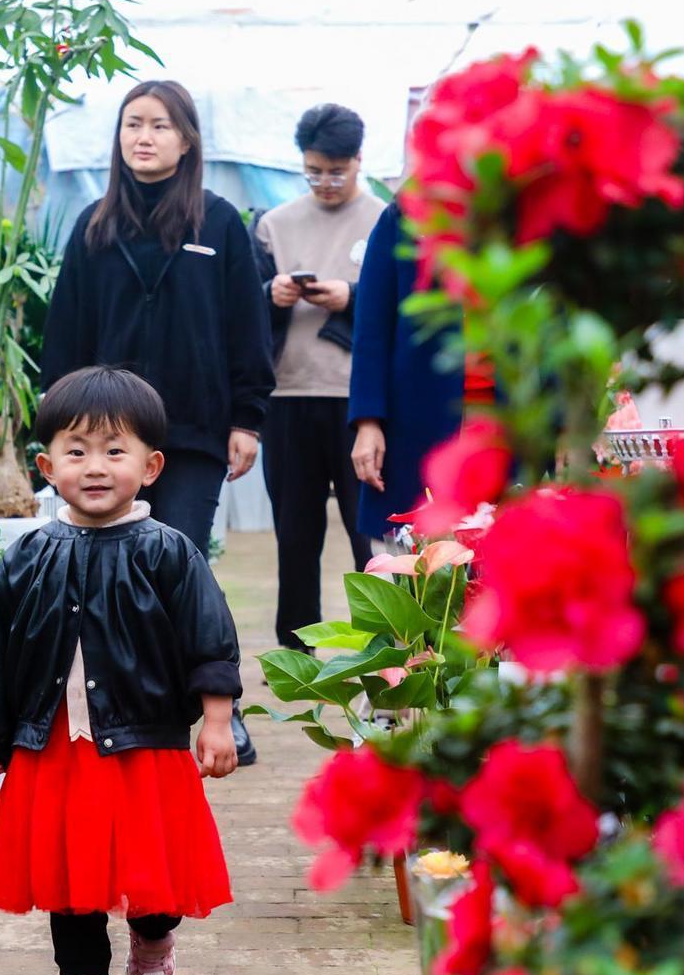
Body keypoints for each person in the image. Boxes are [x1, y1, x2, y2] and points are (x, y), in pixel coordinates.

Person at [0, 366, 239, 975]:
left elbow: (210, 638)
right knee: (69, 873)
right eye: (77, 450)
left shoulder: (168, 552)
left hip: (146, 743)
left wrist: (214, 718)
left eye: (115, 451)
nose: (95, 467)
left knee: (154, 865)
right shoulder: (26, 557)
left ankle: (154, 930)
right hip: (55, 746)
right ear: (46, 464)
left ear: (151, 465)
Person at [40, 80, 270, 765]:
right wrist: (61, 431)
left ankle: (216, 707)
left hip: (194, 428)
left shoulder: (219, 223)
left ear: (187, 139)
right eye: (132, 124)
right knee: (110, 567)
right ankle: (129, 705)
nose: (144, 136)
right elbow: (64, 333)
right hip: (105, 437)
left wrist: (247, 418)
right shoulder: (93, 226)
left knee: (184, 561)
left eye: (160, 125)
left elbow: (246, 328)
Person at [250, 104, 383, 651]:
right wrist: (273, 296)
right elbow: (246, 315)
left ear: (358, 161)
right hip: (289, 398)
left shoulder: (385, 219)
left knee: (368, 537)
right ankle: (296, 653)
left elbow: (407, 309)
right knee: (295, 538)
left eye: (336, 171)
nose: (325, 182)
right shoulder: (274, 224)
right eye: (313, 171)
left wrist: (350, 296)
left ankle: (383, 652)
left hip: (361, 406)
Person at [348, 200, 467, 544]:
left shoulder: (525, 210)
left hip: (508, 420)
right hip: (419, 413)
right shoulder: (405, 216)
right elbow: (371, 327)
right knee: (416, 554)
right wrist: (367, 421)